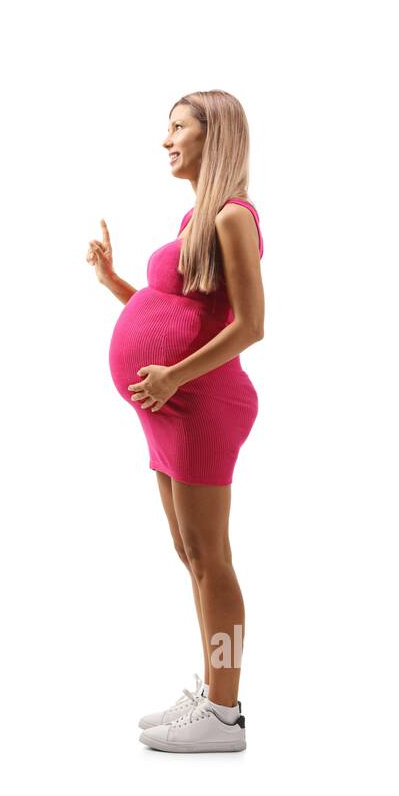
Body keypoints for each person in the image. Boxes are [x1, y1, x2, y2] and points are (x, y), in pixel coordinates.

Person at [92, 90, 265, 753]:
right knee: (191, 554)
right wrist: (115, 284)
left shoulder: (233, 217)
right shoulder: (198, 217)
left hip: (203, 407)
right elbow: (179, 311)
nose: (167, 141)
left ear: (212, 137)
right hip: (173, 408)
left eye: (178, 128)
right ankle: (213, 691)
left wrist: (170, 376)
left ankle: (225, 713)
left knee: (212, 559)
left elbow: (250, 325)